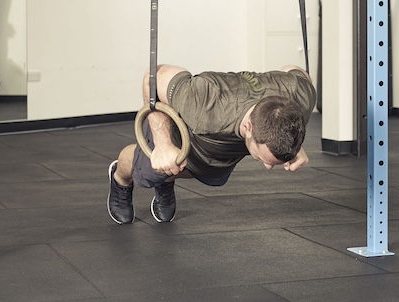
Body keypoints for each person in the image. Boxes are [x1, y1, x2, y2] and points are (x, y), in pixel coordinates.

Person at [107, 64, 316, 224]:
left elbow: (295, 71)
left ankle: (167, 179)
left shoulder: (300, 96)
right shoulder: (205, 103)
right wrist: (163, 144)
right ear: (248, 128)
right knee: (148, 173)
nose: (268, 167)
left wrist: (292, 141)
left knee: (212, 175)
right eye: (263, 158)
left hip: (216, 152)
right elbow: (155, 75)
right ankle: (120, 179)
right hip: (180, 134)